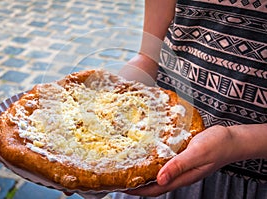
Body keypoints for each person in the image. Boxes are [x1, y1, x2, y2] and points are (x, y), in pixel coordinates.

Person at [112, 0, 267, 198]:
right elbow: (149, 55)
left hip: (251, 184)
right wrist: (114, 101)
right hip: (158, 153)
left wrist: (236, 142)